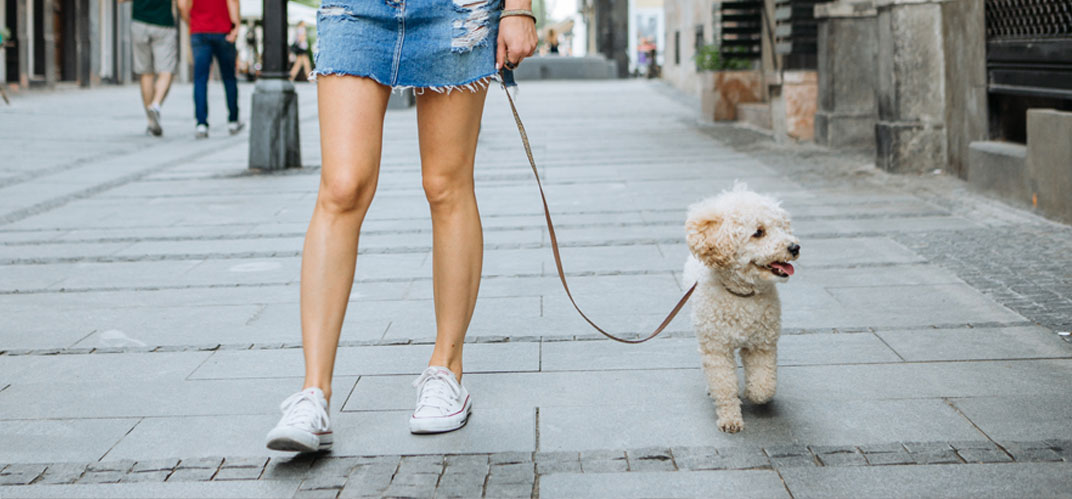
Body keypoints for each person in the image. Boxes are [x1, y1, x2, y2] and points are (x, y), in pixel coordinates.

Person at [264, 0, 538, 453]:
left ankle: (447, 370)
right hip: (356, 8)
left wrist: (520, 7)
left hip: (457, 9)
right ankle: (312, 394)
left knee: (445, 185)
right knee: (342, 187)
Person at [177, 0, 243, 139]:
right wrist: (235, 27)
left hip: (199, 31)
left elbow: (182, 5)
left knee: (200, 79)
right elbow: (233, 2)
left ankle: (201, 124)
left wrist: (191, 22)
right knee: (229, 78)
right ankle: (233, 120)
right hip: (223, 31)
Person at [121, 0, 177, 136]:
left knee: (146, 73)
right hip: (164, 24)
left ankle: (150, 121)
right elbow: (181, 4)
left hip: (139, 23)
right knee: (166, 71)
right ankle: (156, 105)